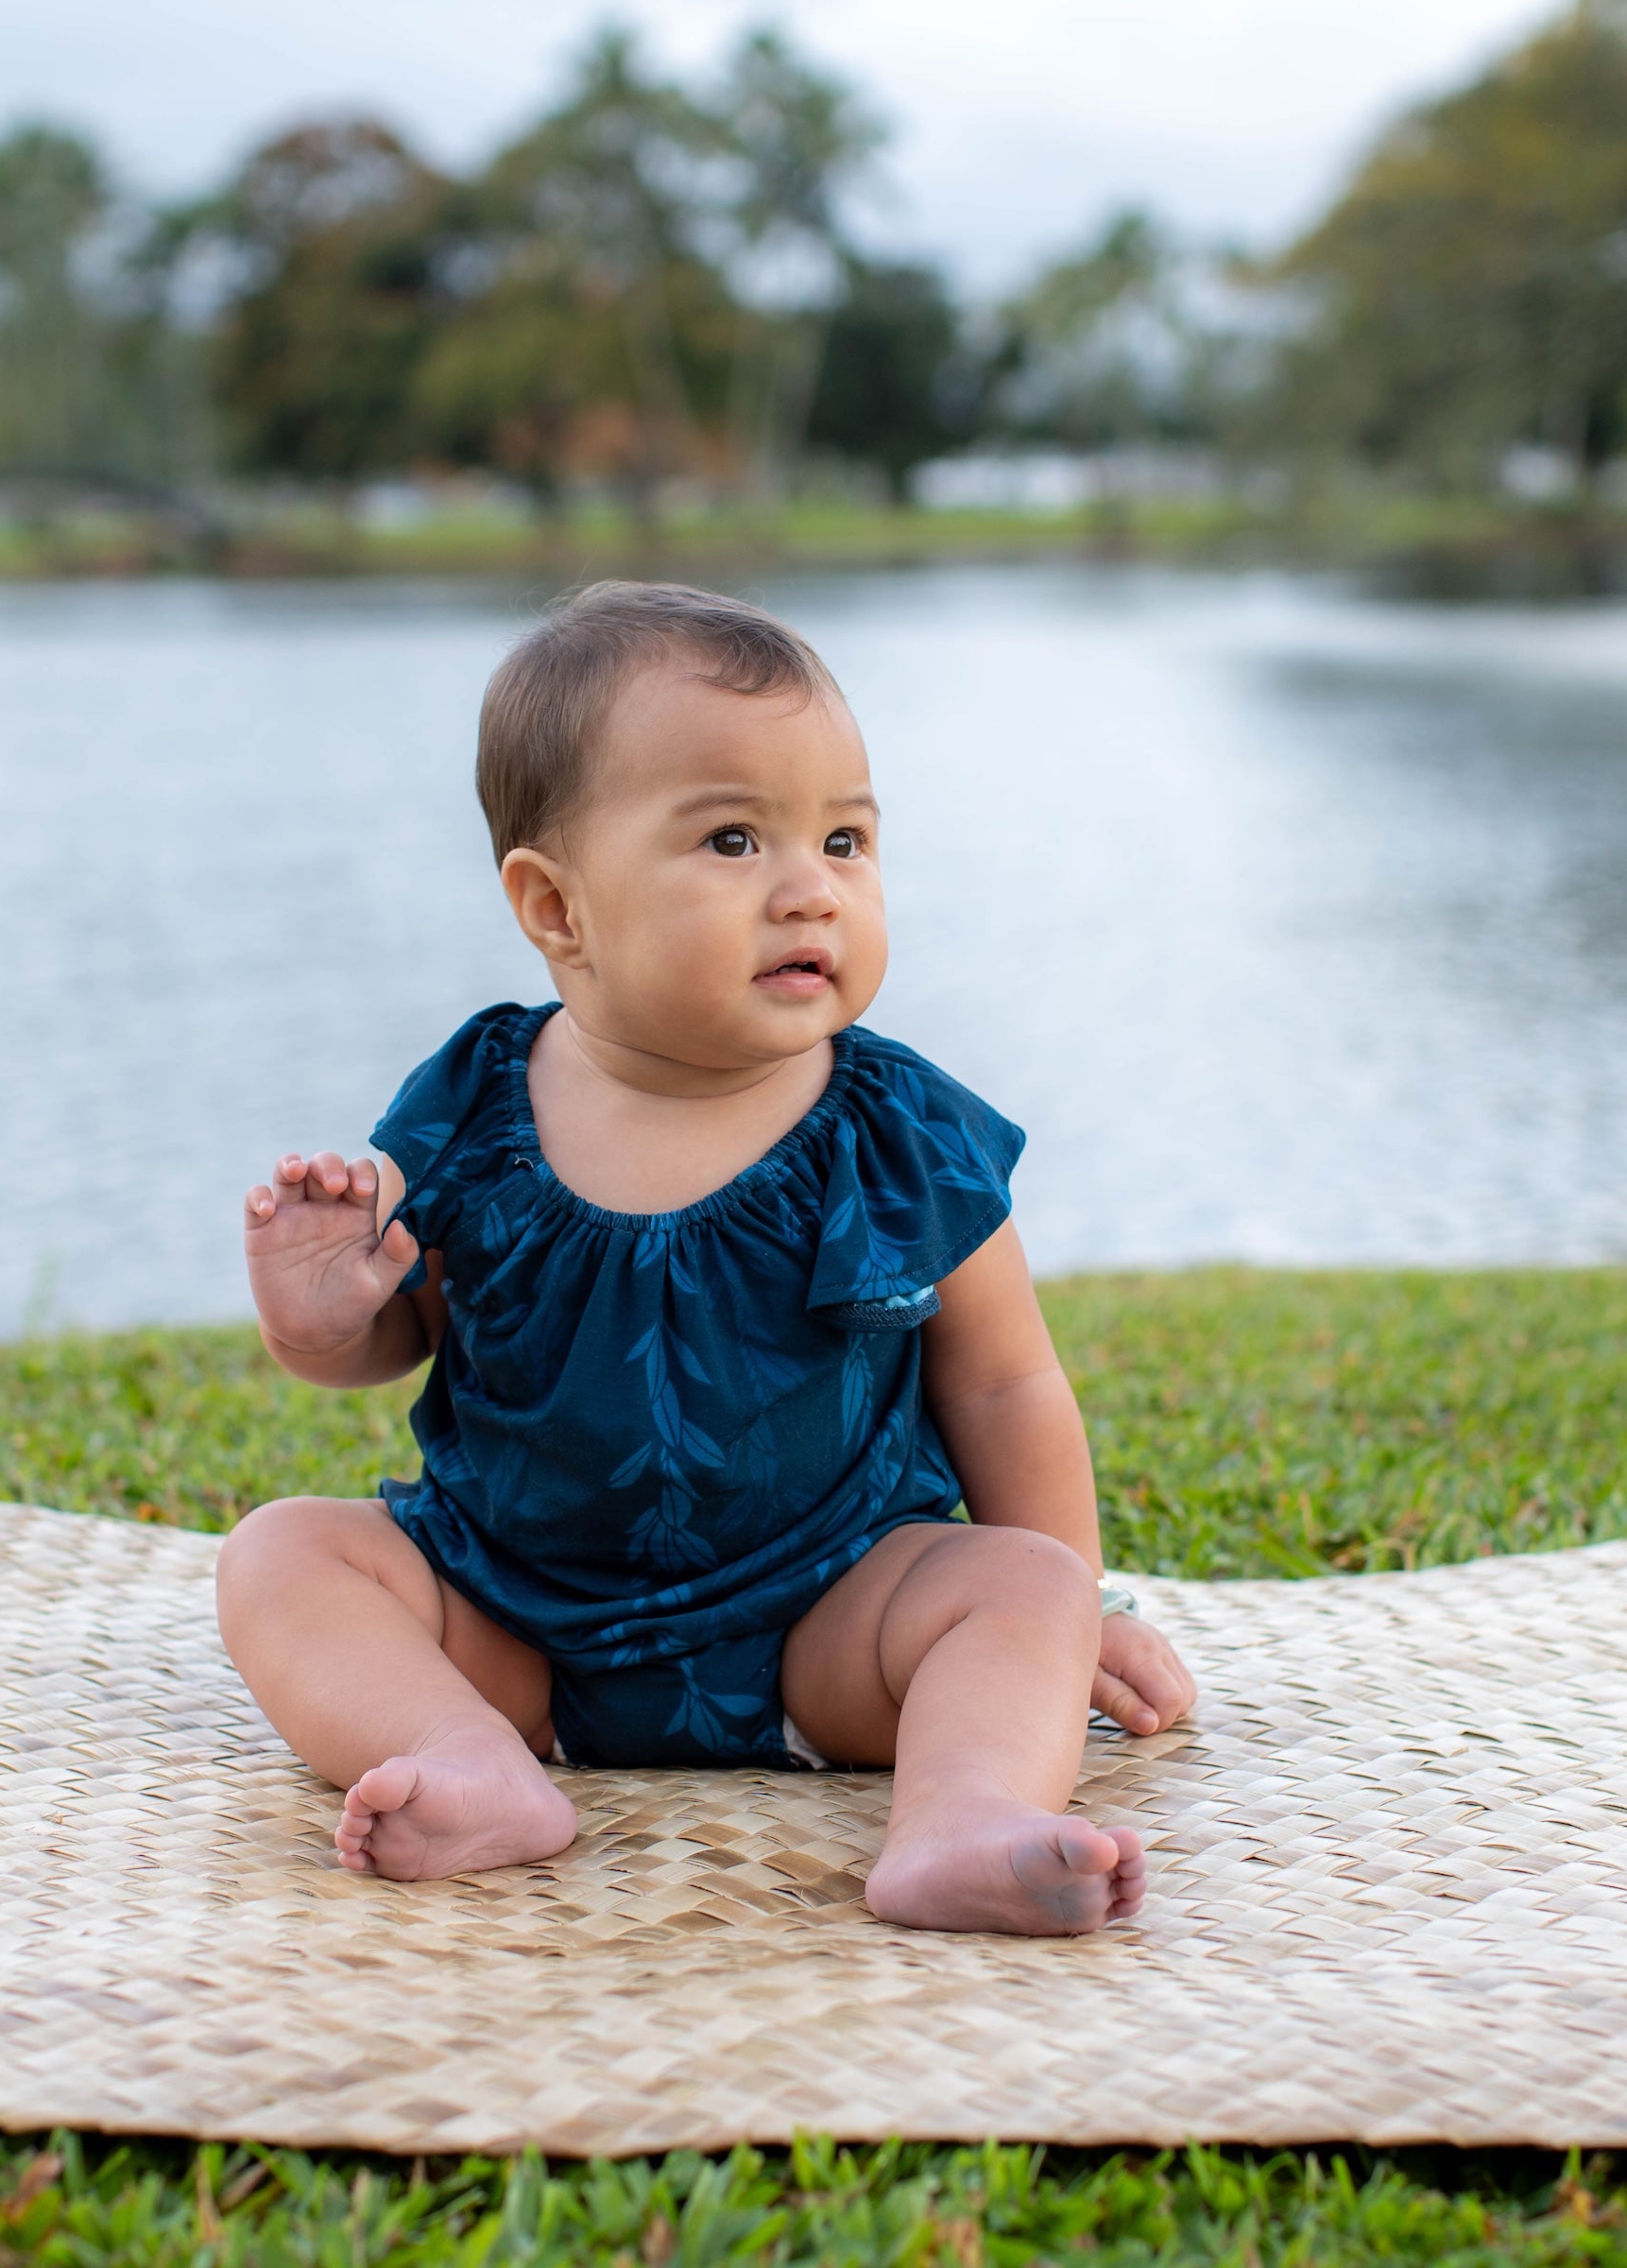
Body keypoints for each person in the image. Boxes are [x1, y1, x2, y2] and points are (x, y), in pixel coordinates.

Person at [215, 581, 1198, 1936]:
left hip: (829, 1624)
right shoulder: (478, 1105)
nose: (813, 889)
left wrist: (1085, 1615)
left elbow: (1003, 1392)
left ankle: (966, 1815)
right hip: (519, 1626)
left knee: (1019, 1586)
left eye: (847, 839)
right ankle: (469, 1758)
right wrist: (319, 1317)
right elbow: (402, 1331)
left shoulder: (896, 1129)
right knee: (280, 1558)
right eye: (734, 840)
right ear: (557, 910)